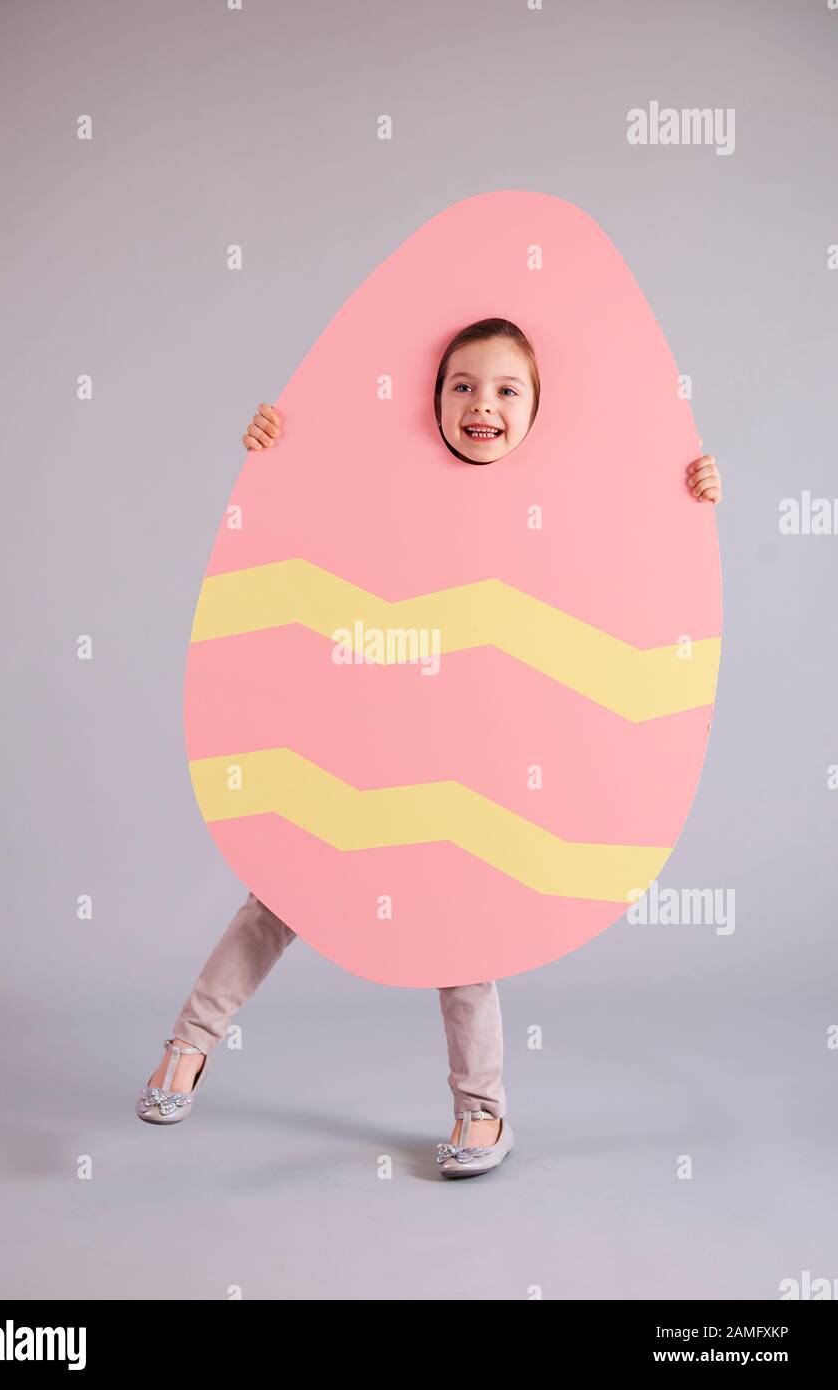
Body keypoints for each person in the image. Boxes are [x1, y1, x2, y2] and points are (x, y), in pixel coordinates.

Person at [136, 318, 722, 1178]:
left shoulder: (552, 502)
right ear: (432, 398)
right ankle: (187, 1046)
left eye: (505, 390)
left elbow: (622, 559)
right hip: (368, 735)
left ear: (535, 410)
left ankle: (481, 1111)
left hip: (473, 759)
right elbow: (305, 524)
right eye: (461, 386)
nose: (481, 403)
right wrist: (273, 449)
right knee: (282, 891)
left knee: (462, 933)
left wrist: (692, 494)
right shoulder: (391, 480)